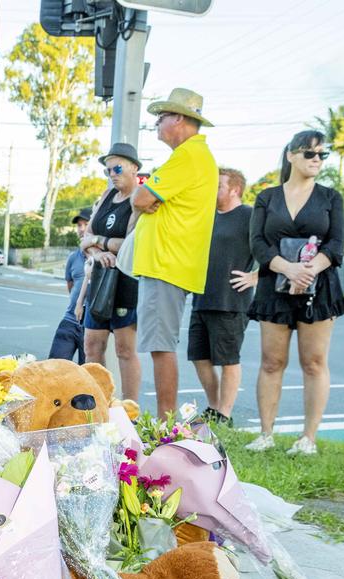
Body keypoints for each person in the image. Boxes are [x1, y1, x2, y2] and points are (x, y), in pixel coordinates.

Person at [246, 130, 344, 455]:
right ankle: (265, 434)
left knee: (314, 362)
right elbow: (258, 243)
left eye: (322, 155)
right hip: (274, 285)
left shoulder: (330, 198)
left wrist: (307, 271)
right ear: (291, 155)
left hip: (318, 288)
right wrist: (287, 268)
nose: (316, 160)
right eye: (310, 154)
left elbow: (336, 244)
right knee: (271, 361)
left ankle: (308, 439)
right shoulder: (267, 197)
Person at [131, 88, 219, 418]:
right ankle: (165, 421)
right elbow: (143, 198)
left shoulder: (188, 156)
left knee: (160, 346)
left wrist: (146, 197)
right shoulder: (196, 157)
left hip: (166, 263)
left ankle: (165, 423)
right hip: (172, 262)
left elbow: (140, 198)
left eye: (161, 117)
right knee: (160, 344)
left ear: (178, 119)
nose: (157, 123)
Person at [189, 168, 258, 428]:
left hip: (231, 301)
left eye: (218, 185)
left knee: (228, 359)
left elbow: (270, 249)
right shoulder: (208, 217)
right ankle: (214, 407)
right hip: (202, 299)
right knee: (199, 356)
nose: (212, 190)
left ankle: (225, 415)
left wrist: (255, 277)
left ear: (234, 189)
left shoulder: (249, 216)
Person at [77, 143, 144, 401]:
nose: (112, 174)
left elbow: (130, 243)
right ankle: (97, 404)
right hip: (100, 277)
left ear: (134, 168)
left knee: (125, 349)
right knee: (92, 344)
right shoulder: (106, 196)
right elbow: (85, 239)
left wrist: (100, 242)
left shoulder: (139, 199)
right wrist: (99, 252)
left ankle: (131, 408)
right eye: (108, 170)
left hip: (125, 280)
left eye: (117, 168)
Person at [48, 207, 91, 364]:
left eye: (86, 224)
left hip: (91, 327)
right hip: (69, 321)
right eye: (79, 225)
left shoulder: (104, 257)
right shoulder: (73, 257)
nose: (81, 229)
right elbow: (71, 286)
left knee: (86, 379)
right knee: (53, 369)